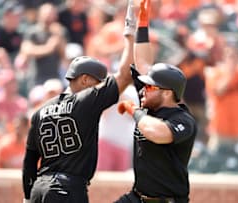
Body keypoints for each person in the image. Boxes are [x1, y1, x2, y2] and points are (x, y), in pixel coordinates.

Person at [21, 0, 136, 202]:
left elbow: (30, 162)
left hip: (39, 189)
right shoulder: (86, 100)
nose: (99, 86)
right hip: (67, 189)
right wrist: (129, 32)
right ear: (84, 79)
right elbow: (125, 74)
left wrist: (28, 197)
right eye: (97, 81)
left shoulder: (41, 110)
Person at [115, 0, 197, 202]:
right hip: (136, 197)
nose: (142, 90)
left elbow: (157, 133)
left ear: (168, 93)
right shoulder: (151, 102)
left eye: (149, 87)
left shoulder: (183, 119)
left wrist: (134, 110)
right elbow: (143, 62)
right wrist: (143, 22)